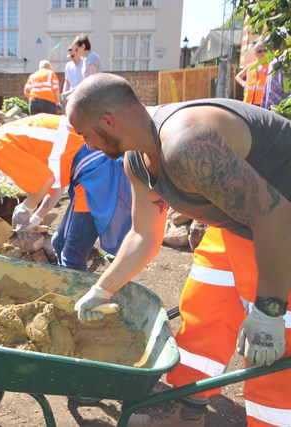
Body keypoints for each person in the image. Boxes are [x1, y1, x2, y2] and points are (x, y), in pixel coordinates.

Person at [67, 73, 291, 427]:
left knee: (273, 353)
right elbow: (144, 235)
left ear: (108, 121)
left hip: (280, 231)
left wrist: (270, 311)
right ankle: (187, 410)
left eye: (86, 134)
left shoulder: (186, 146)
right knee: (204, 307)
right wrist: (101, 288)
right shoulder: (138, 161)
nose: (88, 145)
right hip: (243, 224)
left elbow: (277, 218)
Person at [0, 107, 131, 271]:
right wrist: (37, 217)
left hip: (97, 172)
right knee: (59, 243)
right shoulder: (7, 134)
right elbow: (55, 185)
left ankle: (78, 304)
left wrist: (26, 207)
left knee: (72, 258)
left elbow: (45, 182)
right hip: (96, 167)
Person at [61, 34, 101, 106]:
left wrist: (75, 91)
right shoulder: (86, 59)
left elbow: (93, 79)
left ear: (83, 46)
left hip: (92, 96)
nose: (76, 51)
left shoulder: (92, 57)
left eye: (77, 49)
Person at [235, 43, 270, 107]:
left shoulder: (270, 66)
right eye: (259, 51)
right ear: (255, 53)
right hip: (249, 101)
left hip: (263, 101)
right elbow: (238, 76)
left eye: (264, 50)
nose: (262, 53)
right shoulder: (250, 66)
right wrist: (244, 83)